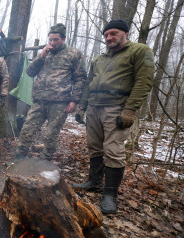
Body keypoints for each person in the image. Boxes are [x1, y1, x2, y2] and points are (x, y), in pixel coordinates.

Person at [73, 19, 154, 214]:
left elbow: (144, 81)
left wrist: (129, 110)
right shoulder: (99, 59)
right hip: (94, 107)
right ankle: (94, 181)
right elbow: (88, 84)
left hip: (116, 107)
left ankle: (110, 194)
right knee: (94, 147)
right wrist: (82, 107)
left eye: (114, 33)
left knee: (113, 150)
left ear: (125, 33)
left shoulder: (139, 51)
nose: (109, 37)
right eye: (106, 35)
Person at [15, 23, 87, 161]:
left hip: (60, 102)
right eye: (51, 40)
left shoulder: (74, 54)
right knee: (27, 130)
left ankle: (44, 163)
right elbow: (30, 72)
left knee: (51, 134)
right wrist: (41, 56)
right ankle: (18, 160)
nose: (53, 43)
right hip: (39, 100)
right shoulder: (45, 53)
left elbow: (80, 79)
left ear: (64, 39)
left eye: (56, 40)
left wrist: (74, 100)